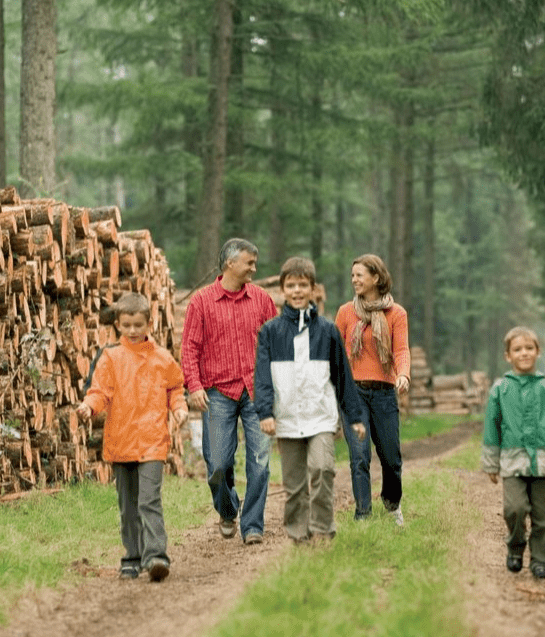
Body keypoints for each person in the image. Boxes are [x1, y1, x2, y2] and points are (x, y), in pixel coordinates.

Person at [76, 292, 188, 582]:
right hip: (121, 441)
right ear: (117, 325)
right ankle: (132, 557)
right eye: (126, 325)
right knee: (128, 506)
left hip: (152, 441)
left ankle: (156, 557)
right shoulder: (110, 357)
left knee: (148, 500)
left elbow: (176, 388)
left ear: (149, 323)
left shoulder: (162, 358)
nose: (133, 331)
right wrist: (89, 406)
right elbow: (100, 391)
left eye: (138, 325)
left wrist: (179, 408)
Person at [254, 257, 366, 544]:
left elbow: (343, 376)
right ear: (282, 290)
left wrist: (354, 417)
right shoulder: (270, 332)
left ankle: (323, 529)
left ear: (314, 289)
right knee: (294, 485)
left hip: (320, 416)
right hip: (287, 416)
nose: (297, 291)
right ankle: (298, 535)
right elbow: (263, 377)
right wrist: (265, 412)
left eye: (303, 285)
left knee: (322, 469)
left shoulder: (327, 331)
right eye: (290, 285)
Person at [180, 238, 279, 545]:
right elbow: (189, 348)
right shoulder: (201, 302)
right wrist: (194, 386)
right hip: (217, 392)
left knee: (260, 461)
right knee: (219, 463)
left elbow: (276, 342)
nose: (254, 267)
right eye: (249, 262)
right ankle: (227, 509)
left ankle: (252, 525)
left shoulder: (262, 299)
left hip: (257, 392)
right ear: (230, 264)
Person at [481, 326, 545, 579]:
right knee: (515, 508)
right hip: (512, 463)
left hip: (543, 464)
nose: (524, 353)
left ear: (538, 352)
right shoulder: (501, 389)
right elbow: (492, 427)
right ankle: (515, 547)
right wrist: (491, 464)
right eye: (518, 349)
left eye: (529, 348)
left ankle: (541, 560)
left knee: (544, 517)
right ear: (508, 356)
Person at [334, 254, 410, 524]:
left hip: (384, 393)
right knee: (359, 456)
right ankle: (362, 514)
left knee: (391, 458)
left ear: (376, 278)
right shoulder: (345, 312)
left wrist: (403, 374)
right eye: (352, 275)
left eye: (359, 275)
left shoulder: (396, 313)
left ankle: (392, 505)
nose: (354, 279)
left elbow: (400, 350)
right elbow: (337, 354)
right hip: (353, 395)